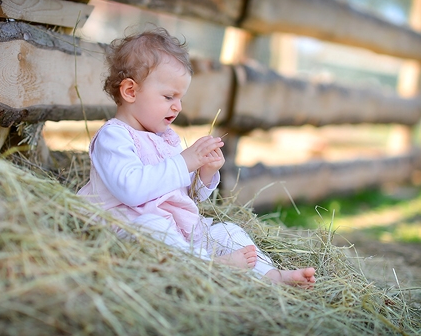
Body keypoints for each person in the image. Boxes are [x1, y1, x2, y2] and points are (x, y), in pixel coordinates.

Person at [77, 26, 316, 287]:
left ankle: (272, 276)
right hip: (130, 227)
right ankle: (207, 268)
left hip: (180, 229)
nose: (177, 106)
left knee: (228, 232)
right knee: (154, 229)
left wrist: (205, 173)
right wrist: (184, 161)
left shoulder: (166, 139)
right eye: (169, 96)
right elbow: (131, 190)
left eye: (180, 98)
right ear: (131, 92)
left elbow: (184, 195)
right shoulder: (114, 137)